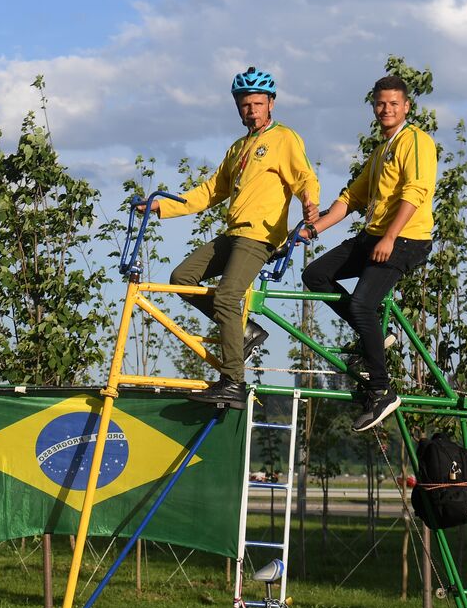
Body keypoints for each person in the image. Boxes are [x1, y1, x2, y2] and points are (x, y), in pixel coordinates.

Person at [140, 67, 319, 409]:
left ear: (271, 103)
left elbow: (304, 177)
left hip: (260, 235)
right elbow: (211, 191)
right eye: (245, 105)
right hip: (234, 233)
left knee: (225, 297)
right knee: (182, 278)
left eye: (257, 104)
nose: (251, 111)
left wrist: (310, 202)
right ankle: (246, 332)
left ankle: (234, 382)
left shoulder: (284, 138)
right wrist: (160, 208)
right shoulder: (238, 147)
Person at [302, 74, 437, 432]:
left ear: (406, 107)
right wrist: (312, 229)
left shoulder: (416, 142)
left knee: (361, 303)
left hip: (406, 238)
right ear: (373, 107)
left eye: (394, 103)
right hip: (374, 235)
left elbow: (416, 191)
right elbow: (350, 198)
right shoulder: (381, 151)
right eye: (380, 103)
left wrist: (390, 237)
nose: (386, 109)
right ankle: (376, 331)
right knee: (314, 275)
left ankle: (382, 390)